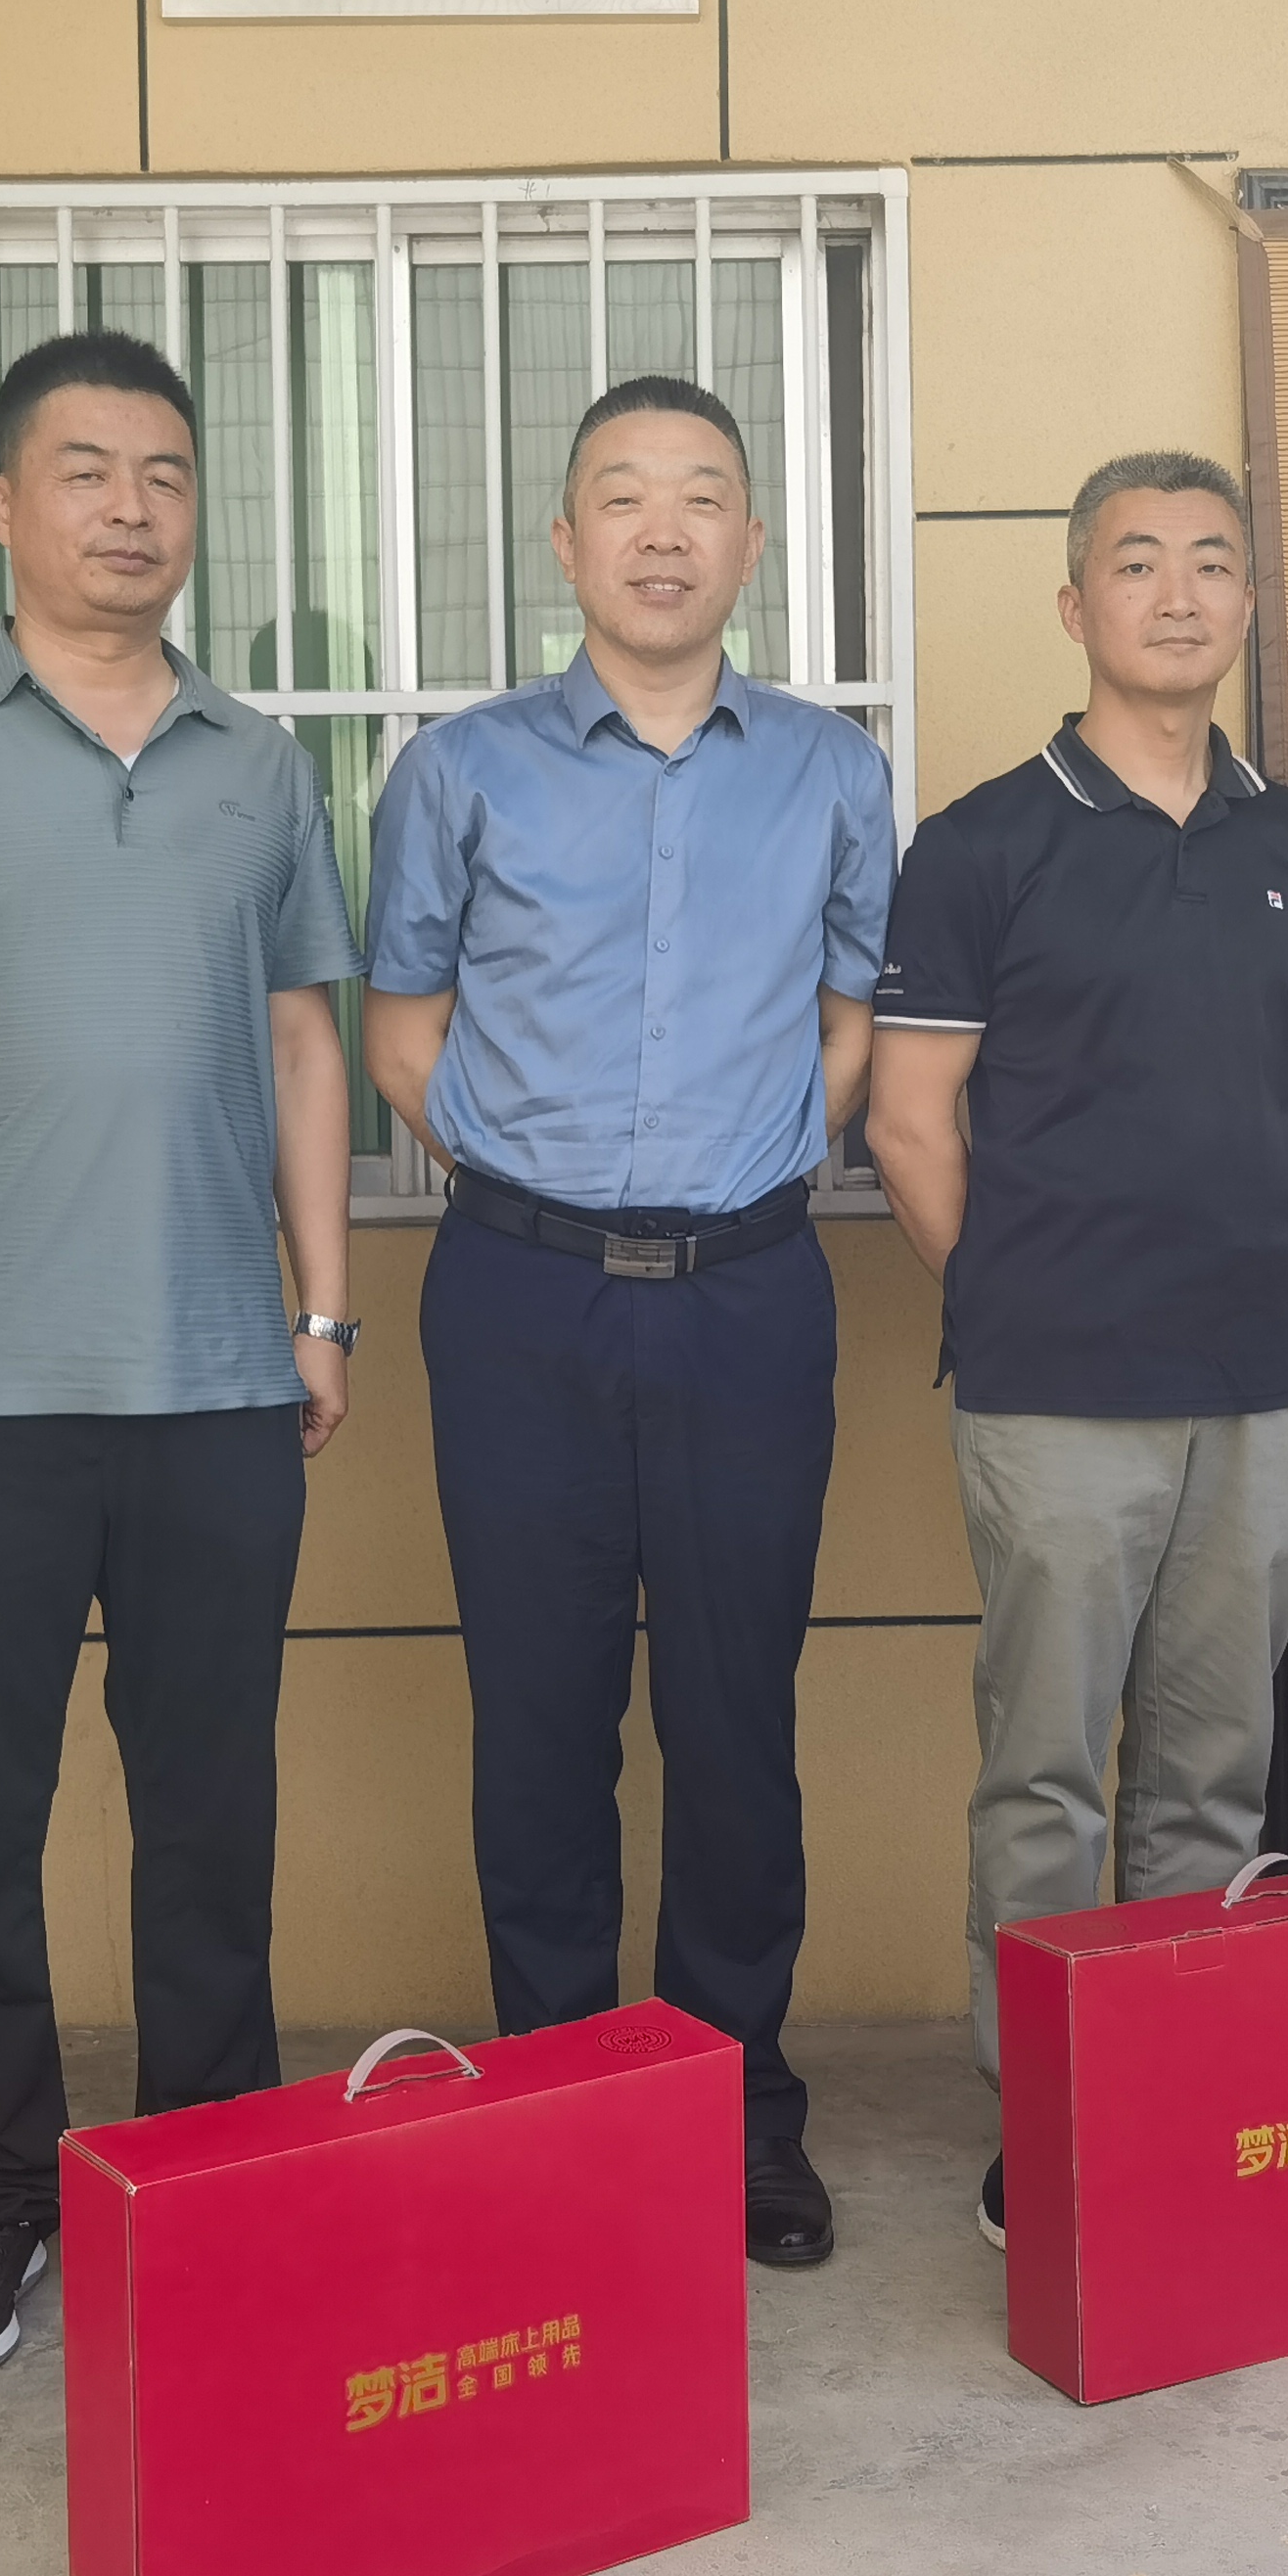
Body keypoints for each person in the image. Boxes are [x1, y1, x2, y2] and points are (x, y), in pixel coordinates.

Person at [0, 328, 361, 2379]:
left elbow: (305, 1044)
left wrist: (317, 1310)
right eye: (88, 470)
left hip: (215, 1385)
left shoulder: (257, 762)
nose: (131, 508)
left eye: (166, 476)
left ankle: (208, 2178)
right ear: (5, 504)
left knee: (209, 1822)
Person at [362, 374, 894, 2270]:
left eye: (701, 497)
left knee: (738, 1719)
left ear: (749, 542)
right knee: (539, 1717)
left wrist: (749, 1164)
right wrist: (540, 1185)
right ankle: (564, 2102)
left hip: (748, 1295)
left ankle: (737, 2107)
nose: (662, 531)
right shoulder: (459, 772)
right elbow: (401, 1029)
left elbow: (852, 1018)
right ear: (566, 541)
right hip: (518, 1301)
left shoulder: (830, 771)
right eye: (622, 496)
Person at [867, 451, 1288, 2250]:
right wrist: (1023, 1286)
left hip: (1256, 1375)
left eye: (1212, 563)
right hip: (1058, 1384)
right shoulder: (982, 844)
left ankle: (1177, 2081)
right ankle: (1053, 2116)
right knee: (1049, 1770)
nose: (1178, 593)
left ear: (1246, 604)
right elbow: (909, 1120)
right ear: (1077, 604)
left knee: (1214, 1769)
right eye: (1138, 563)